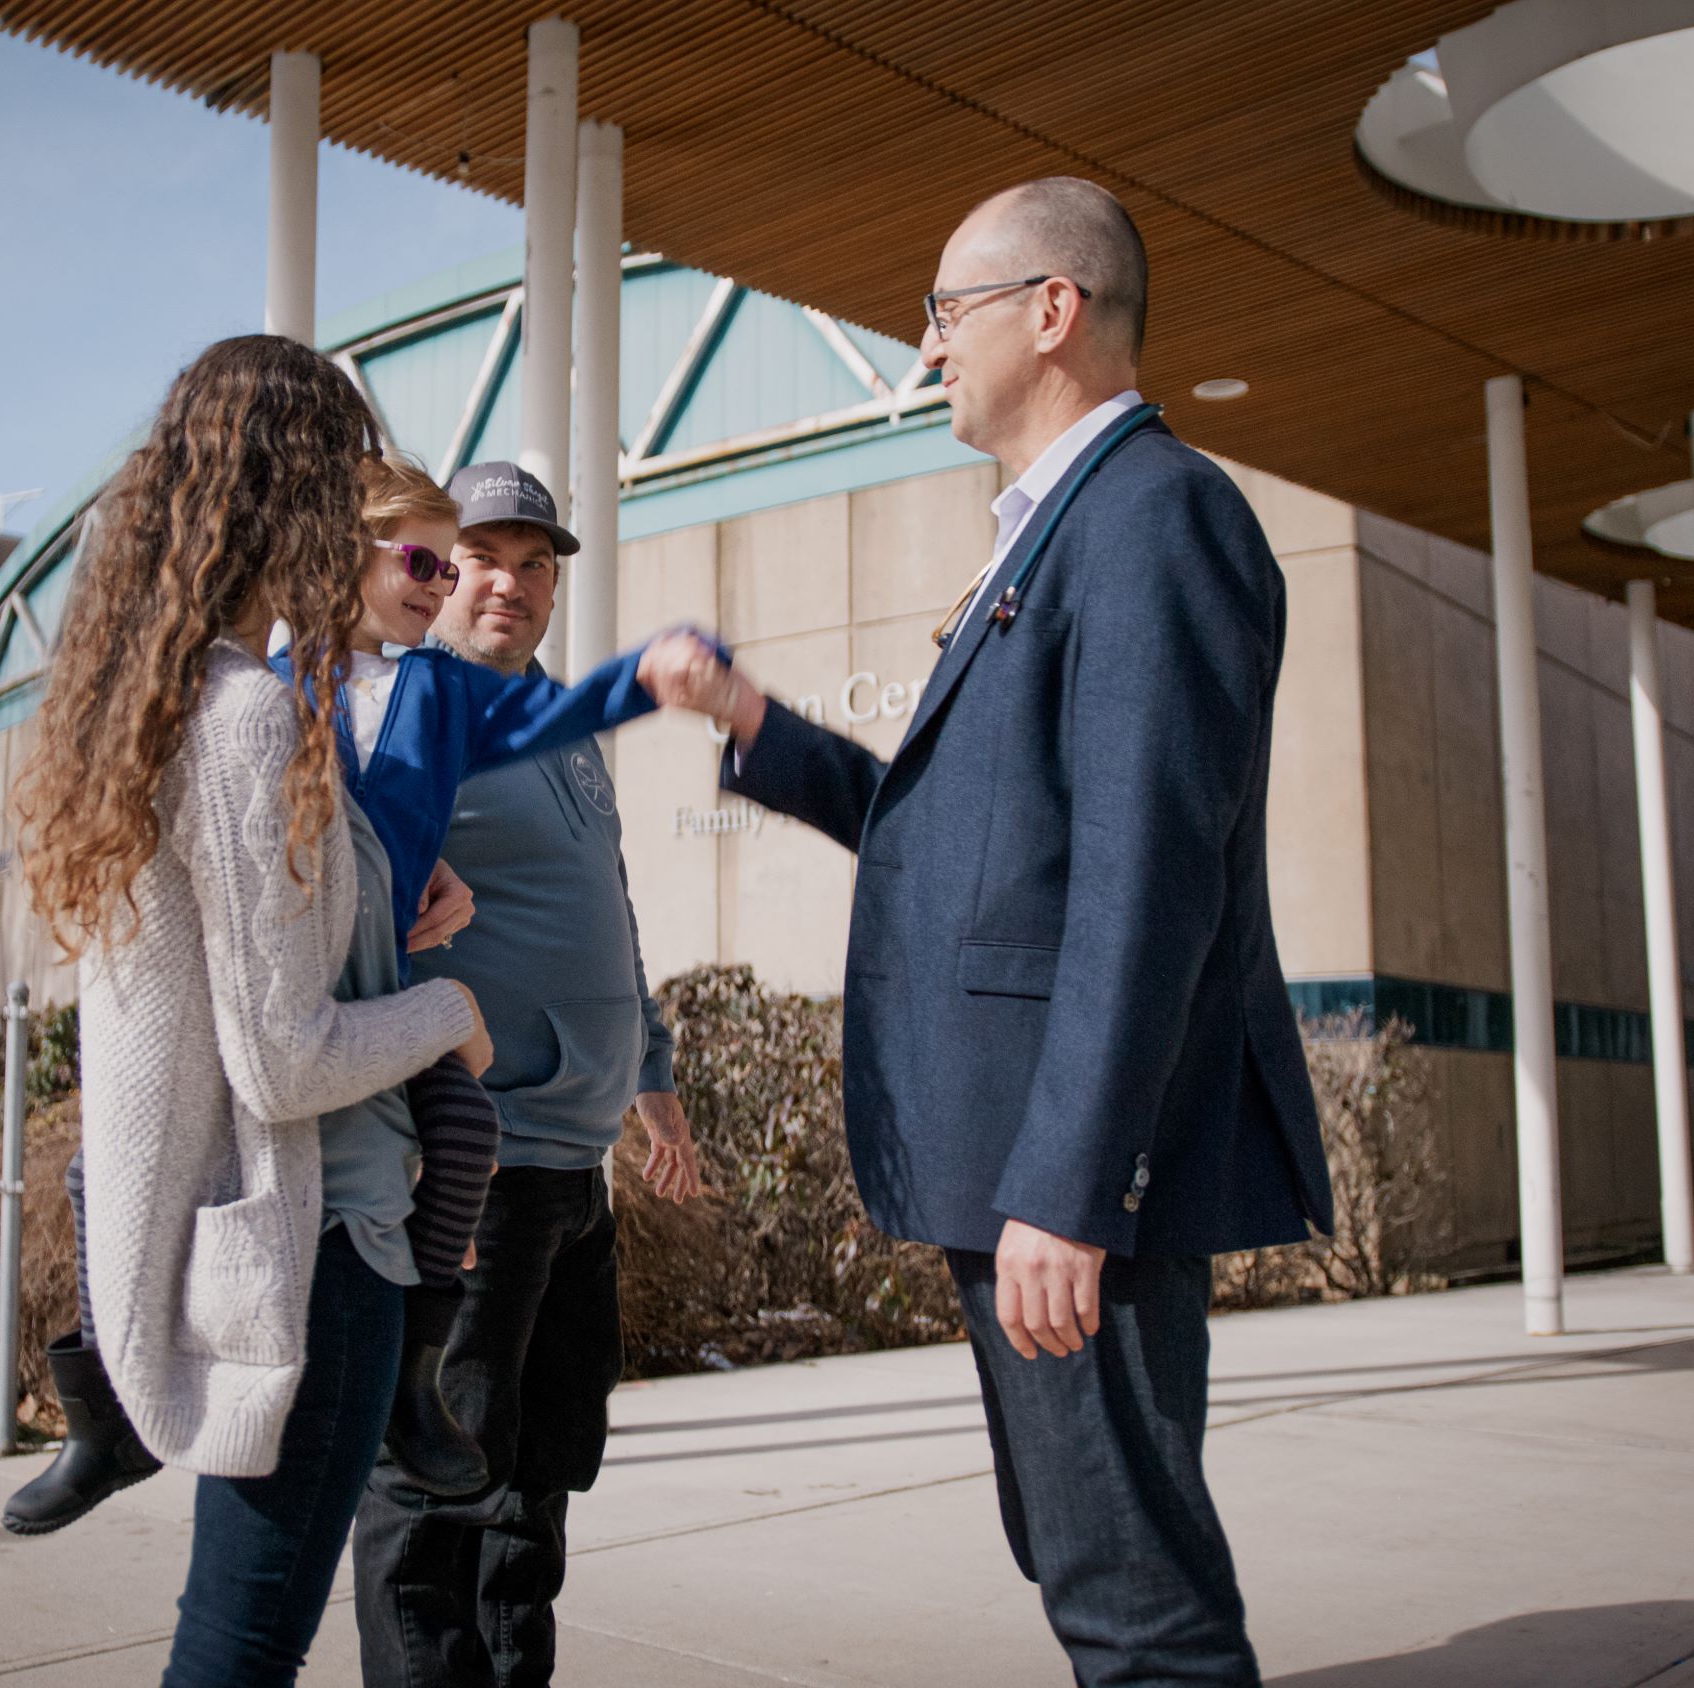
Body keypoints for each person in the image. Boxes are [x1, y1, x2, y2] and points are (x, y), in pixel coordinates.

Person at [651, 181, 1334, 1687]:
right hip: (1030, 1159)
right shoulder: (1060, 533)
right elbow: (960, 838)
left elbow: (1151, 880)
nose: (926, 347)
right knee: (1078, 1542)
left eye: (947, 310)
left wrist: (1071, 1186)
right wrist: (755, 722)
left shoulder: (1155, 519)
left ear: (1053, 310)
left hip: (1068, 1172)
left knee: (1129, 1591)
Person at [5, 456, 723, 1524]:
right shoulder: (282, 696)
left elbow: (550, 760)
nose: (451, 585)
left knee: (461, 1152)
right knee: (104, 1166)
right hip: (295, 1009)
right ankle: (105, 1404)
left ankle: (409, 1378)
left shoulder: (441, 693)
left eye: (518, 564)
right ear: (346, 560)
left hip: (434, 1057)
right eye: (438, 560)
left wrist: (644, 680)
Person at [9, 332, 492, 1687]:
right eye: (341, 478)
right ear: (286, 492)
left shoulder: (156, 706)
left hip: (271, 1242)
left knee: (227, 1648)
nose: (355, 511)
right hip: (315, 1253)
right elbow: (284, 1059)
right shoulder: (244, 722)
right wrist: (451, 1006)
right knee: (233, 1656)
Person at [352, 460, 708, 1688]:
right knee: (434, 1490)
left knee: (537, 1484)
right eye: (485, 554)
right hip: (475, 1169)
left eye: (535, 560)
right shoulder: (416, 708)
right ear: (443, 569)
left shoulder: (559, 721)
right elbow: (350, 908)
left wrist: (650, 1076)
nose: (511, 579)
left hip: (576, 1168)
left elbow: (607, 906)